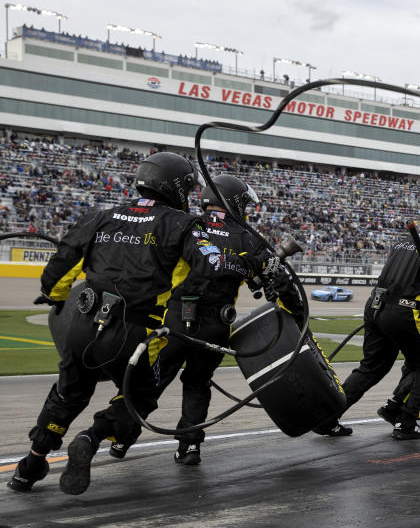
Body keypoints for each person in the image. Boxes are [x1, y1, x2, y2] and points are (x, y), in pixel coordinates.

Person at [7, 152, 273, 495]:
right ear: (176, 187)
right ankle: (92, 436)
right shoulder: (181, 224)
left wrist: (56, 295)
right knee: (140, 397)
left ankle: (29, 467)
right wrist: (250, 264)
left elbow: (59, 269)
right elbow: (212, 265)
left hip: (82, 325)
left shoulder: (100, 217)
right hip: (131, 333)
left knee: (66, 396)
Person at [150, 173, 317, 467]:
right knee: (198, 382)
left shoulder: (185, 225)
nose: (247, 211)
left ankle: (118, 436)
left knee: (153, 378)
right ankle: (189, 447)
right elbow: (281, 281)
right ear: (233, 202)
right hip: (216, 323)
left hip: (175, 316)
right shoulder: (247, 236)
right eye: (244, 205)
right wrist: (299, 317)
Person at [328, 196, 420, 440]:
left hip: (375, 306)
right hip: (406, 314)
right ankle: (407, 422)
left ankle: (328, 417)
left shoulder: (406, 239)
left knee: (371, 368)